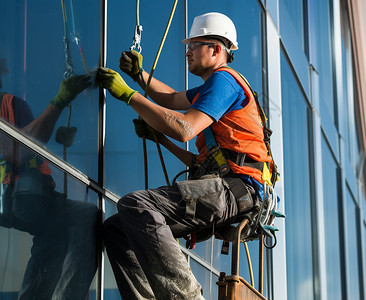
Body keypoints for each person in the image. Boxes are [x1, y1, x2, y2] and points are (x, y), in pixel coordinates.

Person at [98, 12, 274, 299]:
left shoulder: (224, 81)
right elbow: (170, 100)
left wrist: (129, 95)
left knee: (136, 205)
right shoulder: (211, 89)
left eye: (194, 45)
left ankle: (186, 297)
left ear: (216, 49)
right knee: (117, 228)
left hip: (235, 189)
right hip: (226, 188)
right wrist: (139, 76)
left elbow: (184, 128)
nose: (187, 51)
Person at [0, 58, 98, 299]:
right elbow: (19, 150)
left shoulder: (12, 104)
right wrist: (59, 102)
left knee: (52, 238)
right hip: (15, 197)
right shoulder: (8, 105)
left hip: (31, 195)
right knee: (86, 216)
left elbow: (33, 143)